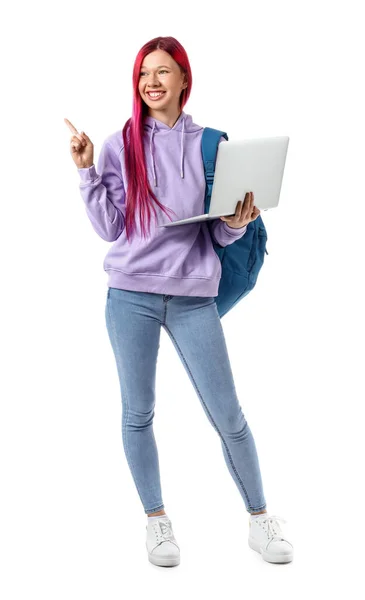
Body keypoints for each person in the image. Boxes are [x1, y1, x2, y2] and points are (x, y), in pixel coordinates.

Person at [65, 35, 293, 567]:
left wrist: (236, 225)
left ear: (184, 80)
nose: (152, 81)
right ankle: (157, 522)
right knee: (138, 412)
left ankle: (261, 520)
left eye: (163, 71)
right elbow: (109, 228)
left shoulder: (212, 143)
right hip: (130, 295)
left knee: (228, 414)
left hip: (193, 295)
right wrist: (85, 172)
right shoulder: (120, 143)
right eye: (145, 72)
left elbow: (217, 235)